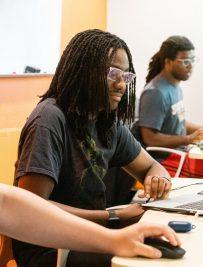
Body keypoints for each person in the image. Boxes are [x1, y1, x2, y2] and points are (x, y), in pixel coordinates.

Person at [13, 29, 172, 266]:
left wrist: (158, 178)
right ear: (84, 70)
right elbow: (32, 209)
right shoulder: (49, 119)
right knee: (145, 260)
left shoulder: (107, 122)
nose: (121, 84)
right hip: (49, 246)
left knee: (161, 250)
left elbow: (151, 166)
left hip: (89, 235)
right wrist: (113, 217)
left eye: (126, 76)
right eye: (113, 73)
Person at [0, 184, 179, 259]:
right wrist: (115, 220)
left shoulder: (110, 125)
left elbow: (6, 203)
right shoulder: (48, 120)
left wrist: (114, 239)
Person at [137, 36, 203, 177]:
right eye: (185, 61)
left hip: (182, 151)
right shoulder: (155, 92)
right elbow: (150, 138)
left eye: (192, 60)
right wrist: (189, 139)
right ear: (168, 62)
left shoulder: (175, 86)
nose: (190, 65)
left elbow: (179, 123)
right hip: (164, 159)